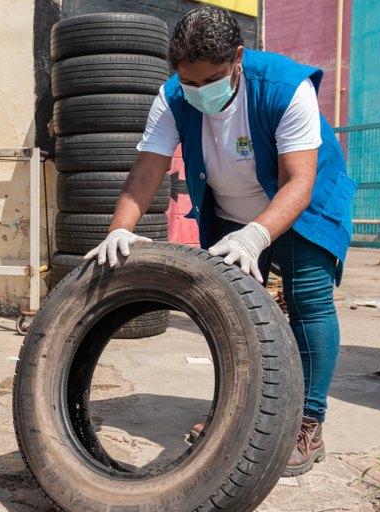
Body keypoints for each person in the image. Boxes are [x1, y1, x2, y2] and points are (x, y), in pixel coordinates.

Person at [85, 6, 356, 477]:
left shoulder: (285, 88)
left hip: (301, 202)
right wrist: (120, 229)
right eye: (188, 81)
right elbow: (148, 167)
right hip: (231, 207)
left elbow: (298, 181)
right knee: (230, 305)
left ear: (238, 57)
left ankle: (306, 424)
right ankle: (240, 412)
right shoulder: (174, 97)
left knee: (307, 301)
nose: (198, 92)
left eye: (210, 80)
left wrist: (256, 235)